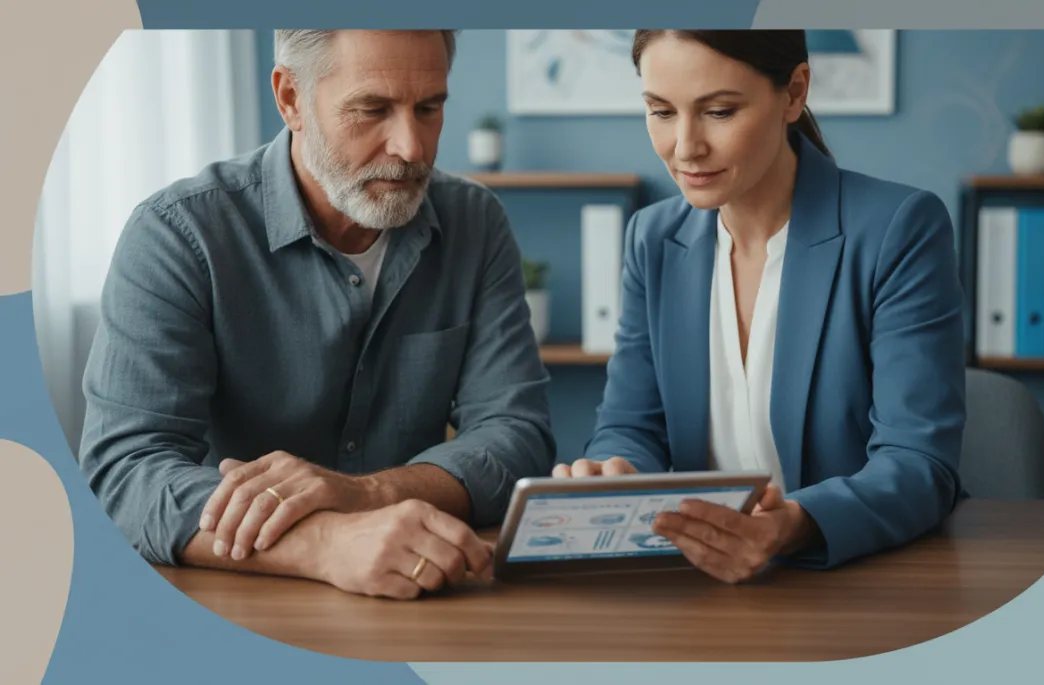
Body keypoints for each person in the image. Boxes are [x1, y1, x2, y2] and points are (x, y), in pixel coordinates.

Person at [77, 29, 556, 600]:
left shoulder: (475, 222)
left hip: (430, 592)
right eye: (372, 109)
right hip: (233, 599)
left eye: (429, 108)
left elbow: (517, 434)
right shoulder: (178, 234)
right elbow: (126, 473)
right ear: (290, 99)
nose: (411, 147)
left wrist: (370, 494)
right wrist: (327, 541)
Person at [553, 30, 966, 583]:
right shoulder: (652, 239)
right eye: (660, 111)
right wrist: (620, 471)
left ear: (794, 93)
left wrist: (794, 524)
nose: (685, 146)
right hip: (700, 587)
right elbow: (631, 424)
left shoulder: (898, 228)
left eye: (719, 112)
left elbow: (920, 465)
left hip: (855, 583)